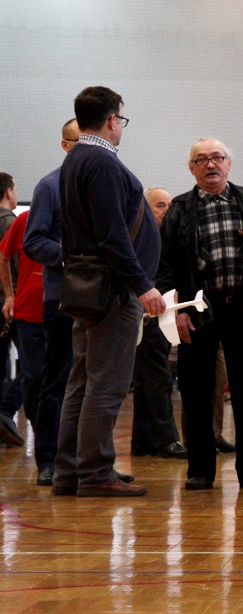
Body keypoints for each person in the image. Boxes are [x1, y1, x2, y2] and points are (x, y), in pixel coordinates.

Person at [157, 138, 243, 491]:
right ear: (192, 169)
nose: (211, 164)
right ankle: (199, 471)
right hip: (197, 313)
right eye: (202, 160)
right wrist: (175, 310)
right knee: (196, 393)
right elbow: (164, 264)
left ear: (229, 164)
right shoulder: (180, 209)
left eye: (217, 158)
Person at [55, 86, 165, 497]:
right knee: (105, 384)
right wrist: (142, 286)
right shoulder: (100, 162)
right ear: (112, 120)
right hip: (112, 291)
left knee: (83, 382)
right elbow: (112, 234)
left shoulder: (76, 158)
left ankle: (71, 471)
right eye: (121, 118)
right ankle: (96, 472)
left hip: (92, 287)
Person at [22, 119, 79, 482]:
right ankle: (48, 460)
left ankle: (91, 461)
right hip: (63, 299)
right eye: (79, 141)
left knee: (98, 386)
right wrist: (71, 255)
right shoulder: (49, 186)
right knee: (55, 381)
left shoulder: (107, 184)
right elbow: (33, 241)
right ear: (64, 145)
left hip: (104, 302)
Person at [129, 187, 186, 460]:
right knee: (158, 377)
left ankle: (141, 442)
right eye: (160, 205)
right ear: (146, 209)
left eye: (169, 205)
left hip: (159, 313)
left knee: (145, 379)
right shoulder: (142, 237)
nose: (167, 210)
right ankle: (166, 440)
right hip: (145, 314)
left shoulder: (166, 238)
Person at [0, 210, 46, 479]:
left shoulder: (80, 215)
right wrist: (9, 295)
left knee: (61, 379)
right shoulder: (25, 219)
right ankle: (44, 446)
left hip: (68, 314)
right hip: (28, 314)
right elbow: (4, 255)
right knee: (34, 377)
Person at [0, 173, 22, 447]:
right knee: (34, 367)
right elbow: (19, 265)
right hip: (12, 303)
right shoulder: (11, 224)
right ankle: (5, 412)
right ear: (7, 193)